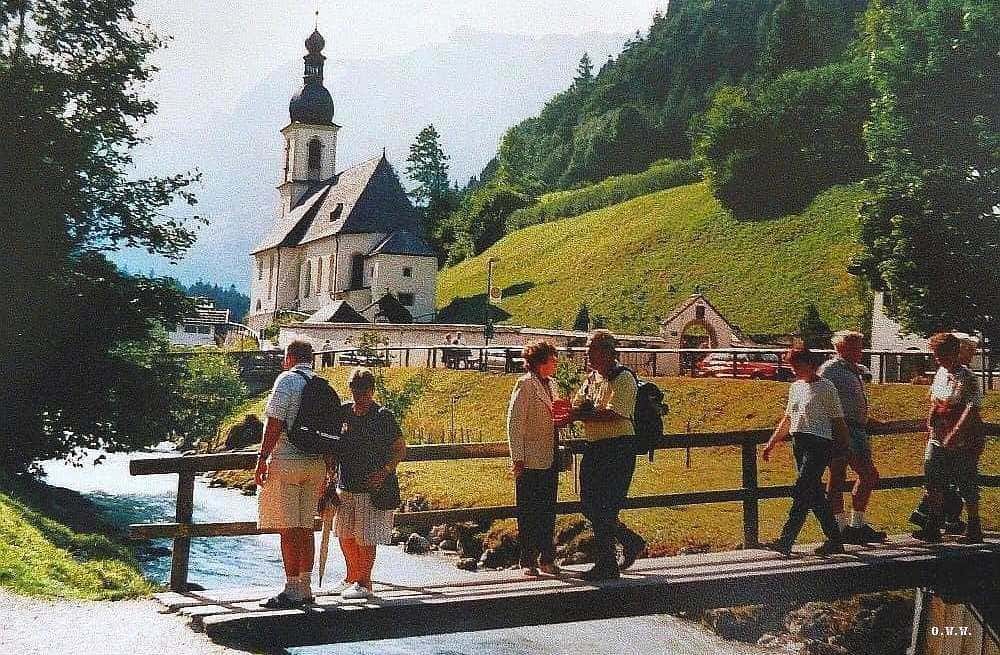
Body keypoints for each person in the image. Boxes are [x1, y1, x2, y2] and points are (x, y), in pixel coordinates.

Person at [255, 340, 331, 608]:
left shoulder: (286, 380)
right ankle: (305, 588)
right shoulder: (322, 384)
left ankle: (290, 588)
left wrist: (262, 458)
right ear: (311, 358)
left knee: (288, 529)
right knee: (306, 527)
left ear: (289, 357)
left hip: (288, 461)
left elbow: (275, 422)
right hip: (316, 464)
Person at [568, 330, 643, 581]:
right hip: (595, 446)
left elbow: (614, 413)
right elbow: (577, 404)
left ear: (607, 352)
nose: (587, 354)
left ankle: (606, 563)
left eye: (591, 350)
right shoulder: (592, 379)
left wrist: (580, 414)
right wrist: (576, 411)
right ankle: (628, 541)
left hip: (618, 448)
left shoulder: (624, 378)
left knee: (606, 505)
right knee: (589, 503)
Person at [762, 345, 849, 556]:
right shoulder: (795, 387)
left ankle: (786, 540)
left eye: (798, 366)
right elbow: (788, 418)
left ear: (810, 364)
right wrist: (772, 443)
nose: (794, 370)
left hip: (819, 443)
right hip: (799, 442)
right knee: (814, 494)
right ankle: (835, 539)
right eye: (792, 366)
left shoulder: (826, 387)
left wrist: (843, 448)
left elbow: (838, 420)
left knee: (802, 489)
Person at [334, 367, 407, 599]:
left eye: (364, 391)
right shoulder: (344, 412)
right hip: (345, 484)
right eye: (356, 391)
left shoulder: (382, 416)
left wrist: (384, 472)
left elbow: (399, 449)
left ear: (372, 391)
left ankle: (364, 583)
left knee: (365, 537)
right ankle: (351, 577)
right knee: (345, 534)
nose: (360, 396)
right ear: (351, 389)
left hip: (370, 488)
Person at [913, 333, 984, 543]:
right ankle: (933, 524)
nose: (937, 359)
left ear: (954, 353)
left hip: (962, 438)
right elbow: (935, 400)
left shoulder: (968, 378)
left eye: (941, 355)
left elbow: (971, 408)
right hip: (938, 435)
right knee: (933, 478)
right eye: (936, 355)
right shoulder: (941, 373)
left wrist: (956, 432)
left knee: (966, 480)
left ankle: (974, 527)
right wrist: (930, 422)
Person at [819, 331, 886, 544]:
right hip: (842, 430)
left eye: (860, 347)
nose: (860, 351)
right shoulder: (831, 370)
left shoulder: (853, 369)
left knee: (856, 476)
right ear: (841, 348)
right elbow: (821, 397)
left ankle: (854, 526)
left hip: (857, 429)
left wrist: (865, 418)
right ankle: (842, 527)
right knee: (855, 475)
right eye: (855, 347)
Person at [507, 340, 561, 576]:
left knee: (548, 509)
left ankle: (547, 558)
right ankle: (528, 560)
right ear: (540, 362)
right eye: (552, 359)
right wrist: (517, 457)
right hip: (529, 459)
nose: (555, 363)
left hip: (549, 455)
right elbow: (515, 424)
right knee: (528, 511)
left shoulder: (552, 384)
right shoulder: (525, 384)